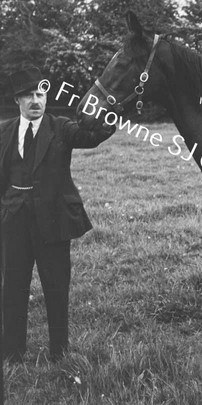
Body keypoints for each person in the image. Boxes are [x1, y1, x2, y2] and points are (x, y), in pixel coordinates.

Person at [0, 66, 115, 363]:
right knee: (13, 286)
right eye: (27, 96)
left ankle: (59, 352)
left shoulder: (60, 126)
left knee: (55, 285)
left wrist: (110, 112)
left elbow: (92, 135)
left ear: (46, 96)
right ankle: (12, 351)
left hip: (52, 219)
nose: (35, 100)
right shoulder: (5, 130)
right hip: (14, 220)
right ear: (18, 101)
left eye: (40, 94)